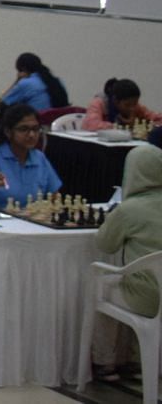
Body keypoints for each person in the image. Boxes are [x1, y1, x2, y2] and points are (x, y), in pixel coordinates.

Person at [91, 144, 162, 379]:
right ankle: (135, 358)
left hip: (147, 299)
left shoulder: (130, 209)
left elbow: (105, 245)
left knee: (101, 285)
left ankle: (105, 361)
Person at [0, 53, 69, 111]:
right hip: (56, 124)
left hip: (35, 124)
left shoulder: (26, 83)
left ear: (23, 69)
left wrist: (17, 81)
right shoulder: (58, 81)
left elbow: (2, 104)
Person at [85, 79, 162, 131]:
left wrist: (139, 125)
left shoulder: (136, 107)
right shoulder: (99, 103)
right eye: (127, 105)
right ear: (115, 101)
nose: (132, 108)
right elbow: (91, 125)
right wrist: (122, 127)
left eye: (135, 103)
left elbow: (158, 118)